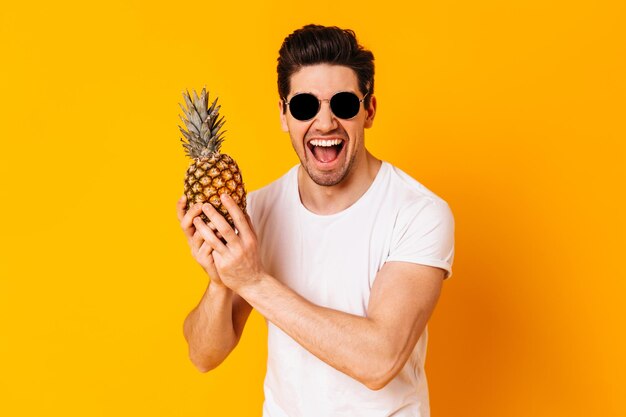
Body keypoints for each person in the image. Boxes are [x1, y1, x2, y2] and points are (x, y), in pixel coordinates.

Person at [177, 24, 455, 417]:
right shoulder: (260, 209)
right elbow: (203, 355)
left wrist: (252, 280)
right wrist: (221, 281)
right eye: (305, 106)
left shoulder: (417, 212)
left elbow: (380, 360)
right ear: (284, 114)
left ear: (369, 110)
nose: (325, 124)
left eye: (343, 104)